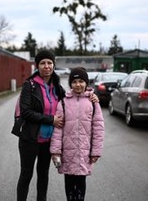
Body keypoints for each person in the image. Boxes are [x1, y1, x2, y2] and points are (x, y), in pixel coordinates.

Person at [16, 51, 98, 201]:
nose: (46, 66)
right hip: (30, 139)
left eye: (49, 63)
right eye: (42, 63)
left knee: (43, 175)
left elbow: (72, 99)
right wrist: (51, 119)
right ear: (37, 65)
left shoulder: (57, 88)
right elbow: (26, 112)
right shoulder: (30, 85)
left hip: (47, 142)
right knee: (26, 175)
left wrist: (91, 95)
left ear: (53, 65)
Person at [50, 67, 105, 201]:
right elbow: (58, 129)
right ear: (70, 84)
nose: (78, 84)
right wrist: (55, 151)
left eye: (81, 81)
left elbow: (98, 128)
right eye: (74, 82)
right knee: (69, 183)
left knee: (81, 184)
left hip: (84, 152)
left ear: (86, 83)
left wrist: (95, 151)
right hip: (67, 152)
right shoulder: (63, 102)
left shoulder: (93, 102)